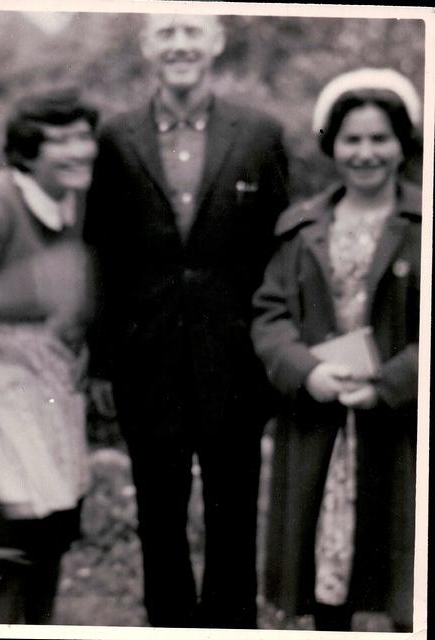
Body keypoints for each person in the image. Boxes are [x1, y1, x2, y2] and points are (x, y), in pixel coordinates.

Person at [84, 13, 288, 629]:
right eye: (166, 33)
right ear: (147, 47)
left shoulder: (259, 132)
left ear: (216, 43)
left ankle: (230, 625)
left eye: (191, 32)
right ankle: (168, 624)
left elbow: (277, 253)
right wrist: (101, 361)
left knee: (233, 508)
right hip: (146, 359)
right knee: (158, 511)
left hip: (235, 358)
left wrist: (274, 347)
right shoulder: (115, 138)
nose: (179, 45)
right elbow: (101, 254)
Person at [251, 68, 421, 632]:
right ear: (331, 144)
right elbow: (270, 314)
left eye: (380, 138)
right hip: (319, 421)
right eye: (352, 139)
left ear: (404, 143)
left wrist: (391, 384)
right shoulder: (302, 228)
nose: (366, 153)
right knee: (326, 569)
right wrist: (307, 373)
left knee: (402, 568)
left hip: (399, 427)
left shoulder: (424, 225)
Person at [0, 87, 98, 624]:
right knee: (14, 535)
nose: (81, 151)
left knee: (51, 526)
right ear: (28, 149)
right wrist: (34, 286)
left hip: (45, 382)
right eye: (62, 140)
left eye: (85, 136)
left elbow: (70, 297)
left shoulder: (72, 199)